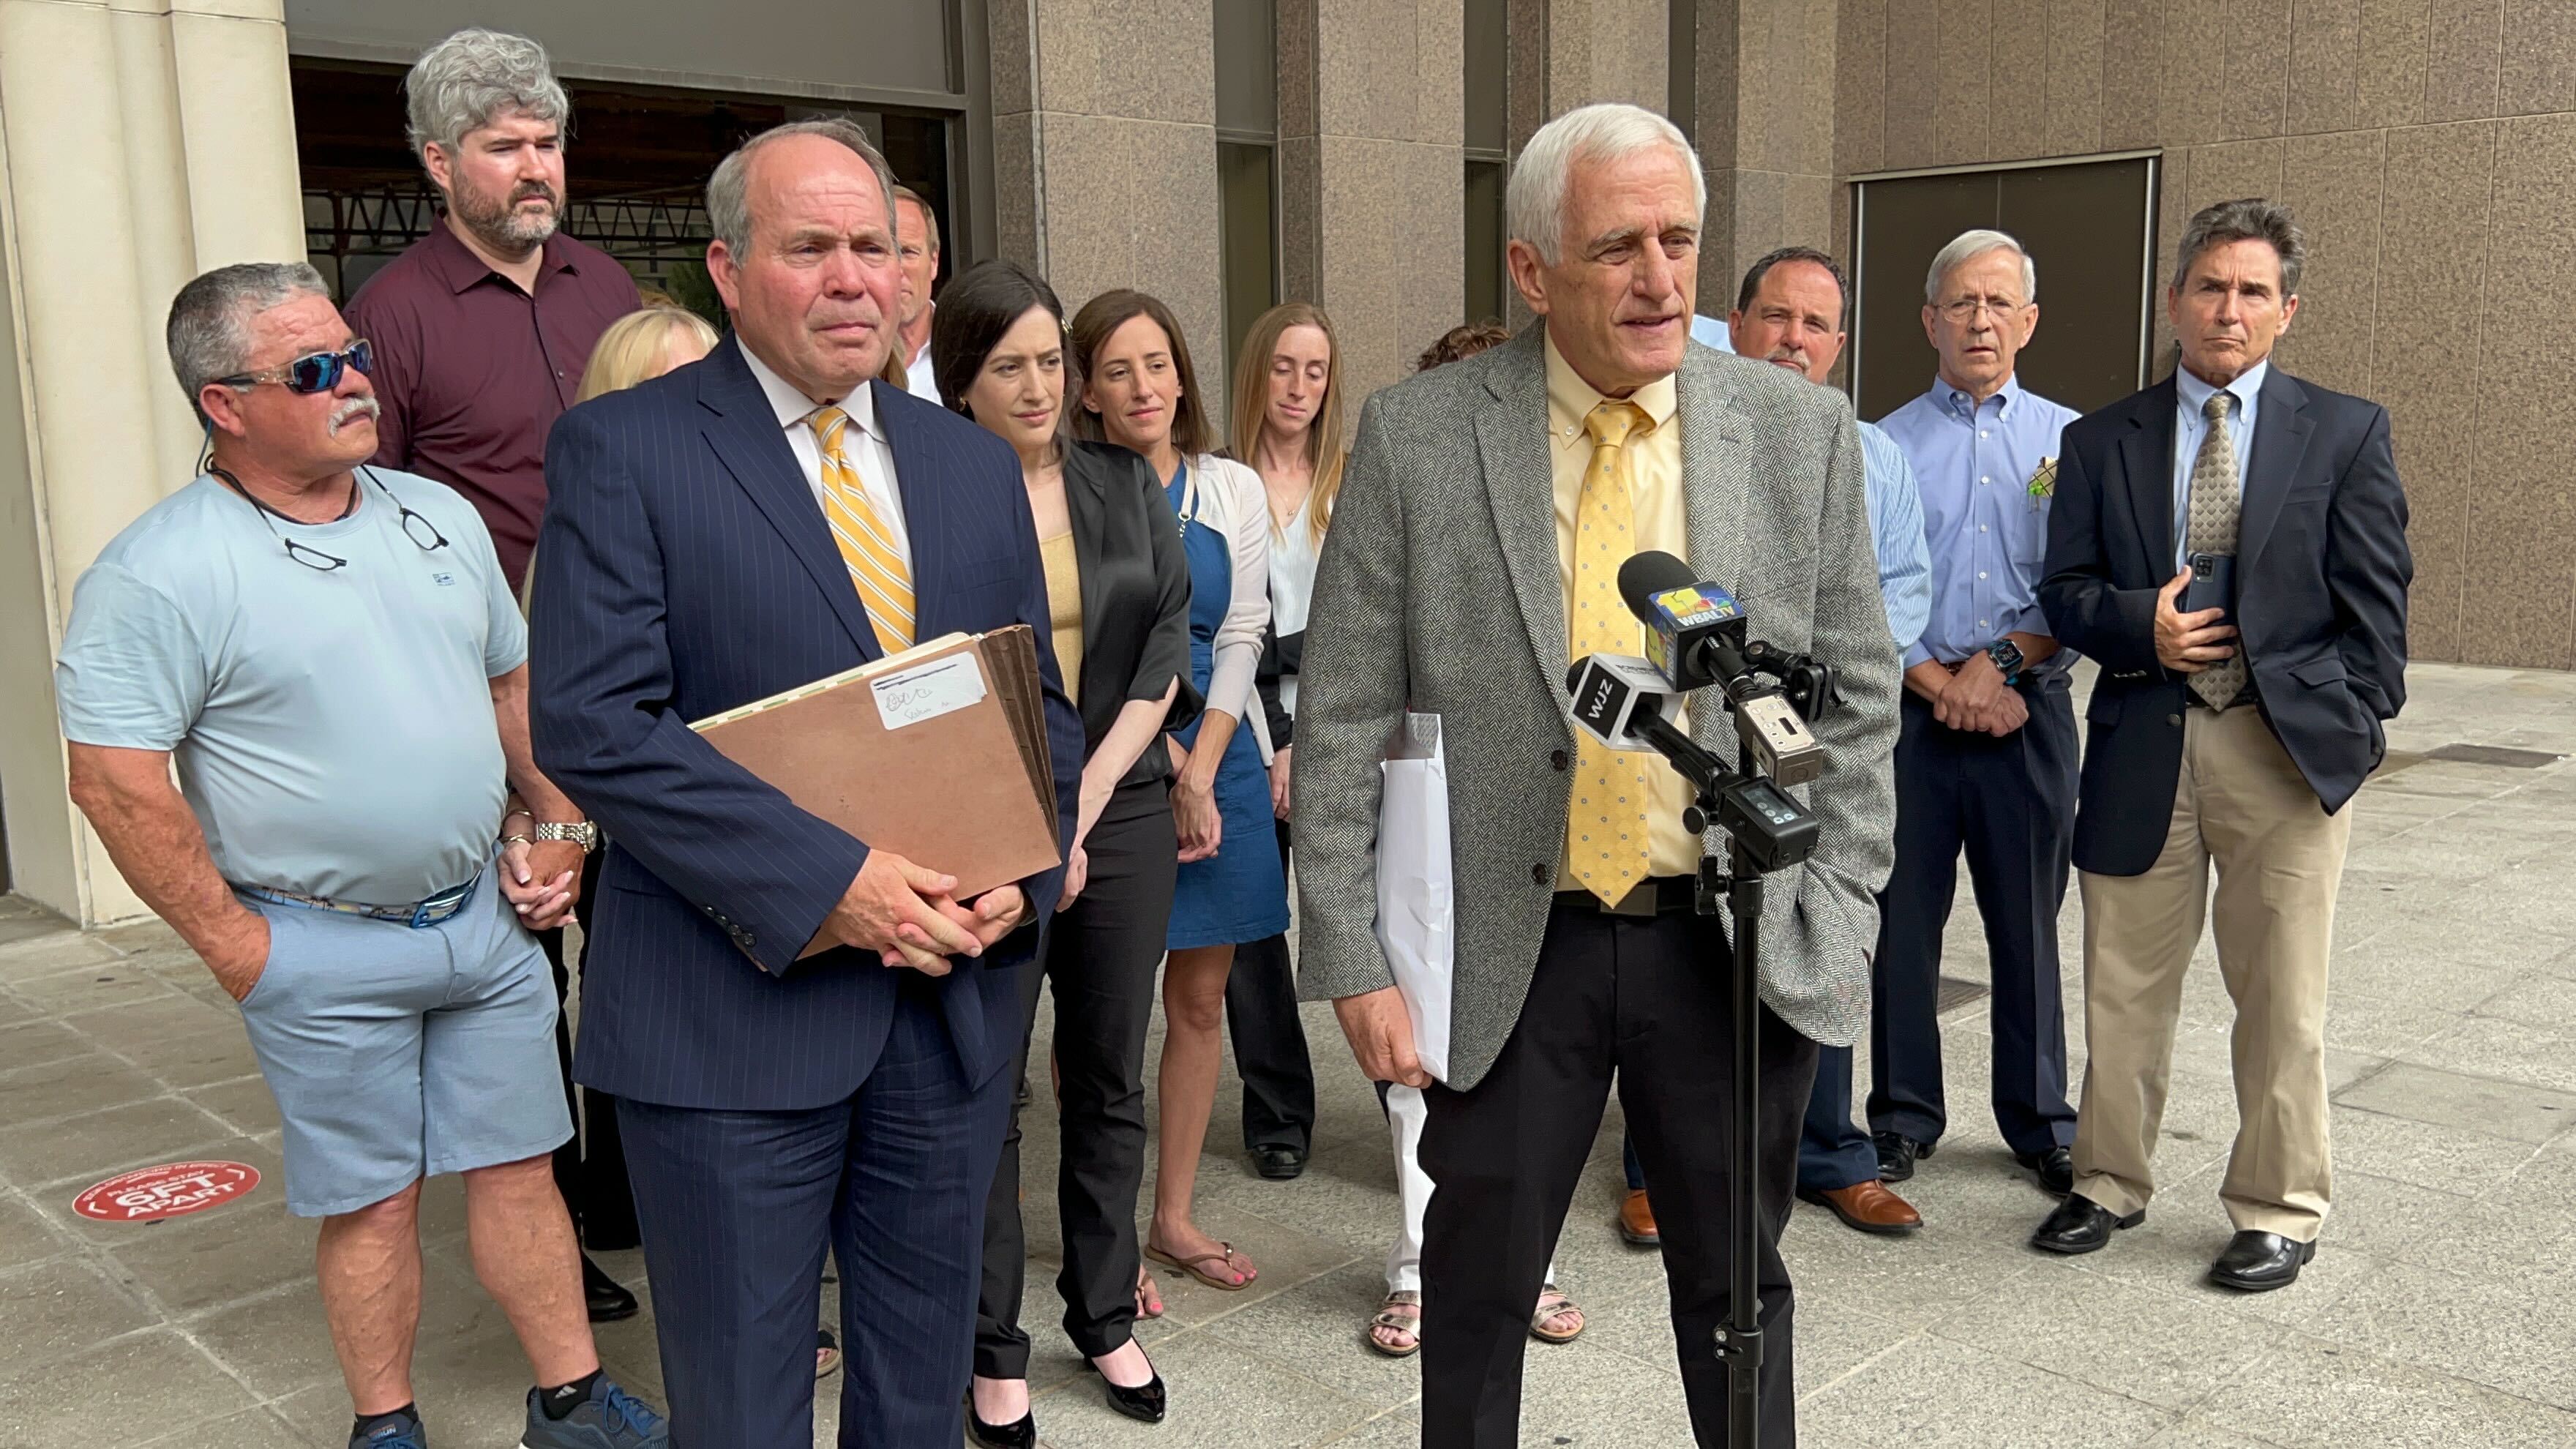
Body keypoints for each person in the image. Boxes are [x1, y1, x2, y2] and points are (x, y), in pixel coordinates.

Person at [1294, 103, 1899, 1447]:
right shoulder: (1420, 435)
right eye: (1618, 245)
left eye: (1678, 240)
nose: (1663, 279)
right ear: (1530, 271)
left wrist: (1838, 897)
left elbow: (1857, 696)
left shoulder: (1797, 431)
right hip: (1513, 948)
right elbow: (1340, 714)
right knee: (1474, 1292)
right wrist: (1353, 957)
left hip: (1730, 945)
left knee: (1741, 1297)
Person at [527, 119, 1085, 1444]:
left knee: (916, 1395)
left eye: (878, 249)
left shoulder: (963, 463)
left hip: (943, 1013)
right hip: (729, 1023)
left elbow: (1035, 708)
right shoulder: (626, 449)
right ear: (726, 270)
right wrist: (832, 885)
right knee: (743, 1409)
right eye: (812, 248)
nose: (855, 280)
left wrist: (1023, 865)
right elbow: (599, 722)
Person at [56, 262, 665, 1449]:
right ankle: (386, 1426)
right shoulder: (158, 572)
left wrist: (558, 827)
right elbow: (116, 783)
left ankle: (574, 1404)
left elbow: (510, 689)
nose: (355, 384)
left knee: (521, 1169)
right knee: (375, 1200)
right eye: (314, 370)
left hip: (484, 926)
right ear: (223, 405)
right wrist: (242, 951)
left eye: (356, 356)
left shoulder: (433, 516)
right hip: (318, 947)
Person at [2034, 198, 2409, 1291]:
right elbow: (2063, 595)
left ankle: (2278, 1207)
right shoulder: (2101, 439)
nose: (2227, 309)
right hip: (2145, 742)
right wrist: (2134, 623)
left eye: (2252, 291)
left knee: (2283, 997)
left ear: (2286, 311)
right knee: (2120, 988)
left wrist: (2355, 726)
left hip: (2281, 754)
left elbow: (2378, 605)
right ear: (2175, 299)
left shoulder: (2345, 431)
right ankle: (2106, 1183)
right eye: (2210, 286)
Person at [343, 28, 647, 1318]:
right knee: (532, 971)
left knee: (648, 937)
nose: (536, 168)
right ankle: (556, 1221)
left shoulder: (609, 290)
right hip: (493, 704)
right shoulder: (390, 316)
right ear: (438, 162)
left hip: (638, 677)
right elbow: (368, 526)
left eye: (547, 143)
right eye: (504, 147)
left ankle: (640, 1185)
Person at [942, 261, 1197, 1442]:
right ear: (964, 379)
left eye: (1053, 360)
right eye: (1011, 365)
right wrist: (1029, 826)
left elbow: (1164, 655)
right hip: (981, 812)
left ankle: (1102, 1313)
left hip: (1121, 806)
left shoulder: (1121, 480)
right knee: (985, 1083)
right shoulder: (930, 490)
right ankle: (992, 1344)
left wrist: (1079, 814)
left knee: (1106, 1075)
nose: (1040, 384)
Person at [1363, 321, 1587, 1363]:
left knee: (1523, 1073)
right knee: (1423, 1059)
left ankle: (1531, 1261)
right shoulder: (1390, 476)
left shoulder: (1562, 510)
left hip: (1536, 830)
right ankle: (1417, 1265)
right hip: (1418, 810)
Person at [1070, 288, 1287, 1295]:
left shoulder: (1229, 487)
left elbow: (1240, 633)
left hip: (1219, 751)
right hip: (1109, 757)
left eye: (1156, 363)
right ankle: (1103, 1237)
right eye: (1117, 369)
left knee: (1200, 1001)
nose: (1142, 385)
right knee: (1100, 1013)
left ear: (1183, 375)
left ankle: (1173, 1217)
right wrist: (1155, 769)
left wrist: (1199, 769)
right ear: (1088, 391)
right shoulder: (1069, 486)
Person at [1721, 247, 1936, 1237]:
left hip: (1826, 732)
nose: (1792, 341)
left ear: (1839, 344)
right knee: (1688, 938)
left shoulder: (1872, 454)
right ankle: (1662, 1157)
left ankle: (1830, 1152)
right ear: (1737, 323)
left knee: (1824, 918)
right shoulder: (1692, 438)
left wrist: (1834, 692)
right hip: (1703, 729)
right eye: (1774, 317)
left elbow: (1903, 592)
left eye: (1814, 325)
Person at [1867, 228, 2083, 1201]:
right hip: (1911, 719)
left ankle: (2040, 1121)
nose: (1981, 319)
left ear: (2029, 321)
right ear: (1929, 320)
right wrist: (1940, 684)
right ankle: (1904, 1115)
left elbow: (2079, 586)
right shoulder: (1882, 446)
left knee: (2027, 923)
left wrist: (1995, 669)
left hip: (2028, 713)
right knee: (1902, 920)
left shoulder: (2073, 444)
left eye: (2000, 303)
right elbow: (1862, 591)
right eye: (1962, 302)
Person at [1229, 302, 1341, 1184]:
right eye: (1283, 367)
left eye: (1315, 370)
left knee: (1358, 922)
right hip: (1239, 722)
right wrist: (1269, 740)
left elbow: (1364, 628)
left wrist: (1303, 742)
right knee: (1253, 936)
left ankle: (1407, 1099)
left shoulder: (1351, 480)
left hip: (1339, 728)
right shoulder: (1219, 482)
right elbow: (1230, 631)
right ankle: (1277, 1113)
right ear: (1255, 371)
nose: (1299, 387)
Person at [894, 184, 944, 402]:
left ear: (934, 262)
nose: (895, 269)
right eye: (876, 251)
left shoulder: (970, 350)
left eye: (907, 252)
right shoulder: (841, 359)